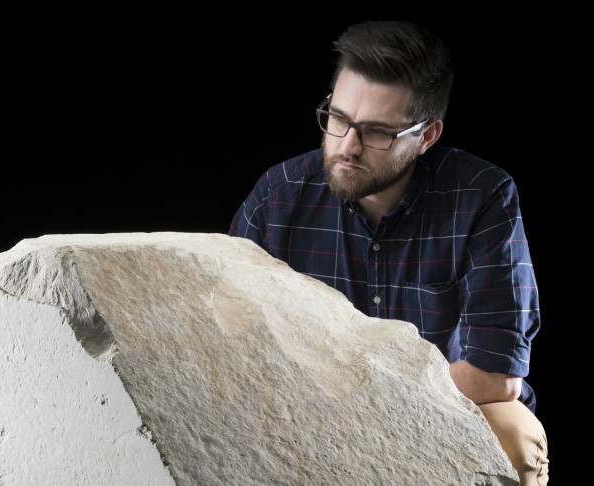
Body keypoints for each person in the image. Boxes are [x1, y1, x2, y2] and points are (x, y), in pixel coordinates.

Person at [228, 20, 548, 485]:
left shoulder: (483, 196)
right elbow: (232, 342)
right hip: (309, 410)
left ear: (427, 136)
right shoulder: (277, 196)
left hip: (446, 411)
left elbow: (494, 378)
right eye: (338, 119)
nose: (348, 147)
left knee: (514, 438)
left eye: (377, 132)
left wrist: (365, 401)